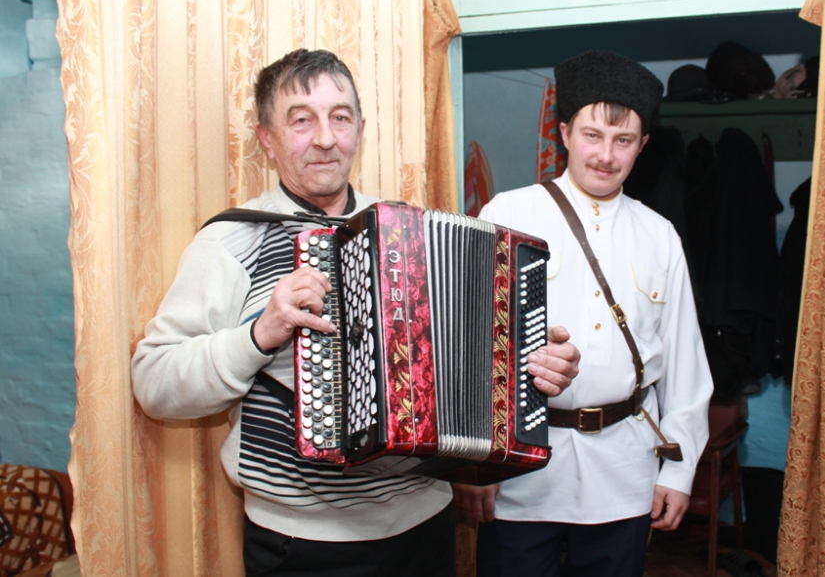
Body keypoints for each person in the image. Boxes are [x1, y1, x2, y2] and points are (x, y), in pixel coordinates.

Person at [131, 48, 580, 577]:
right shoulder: (232, 241)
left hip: (425, 525)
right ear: (267, 139)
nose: (325, 138)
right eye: (301, 121)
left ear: (360, 131)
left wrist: (532, 366)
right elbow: (154, 382)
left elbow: (472, 365)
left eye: (340, 117)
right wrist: (258, 335)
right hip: (300, 544)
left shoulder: (410, 234)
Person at [453, 50, 713, 577]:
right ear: (565, 133)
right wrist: (473, 465)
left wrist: (678, 471)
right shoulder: (509, 213)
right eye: (593, 135)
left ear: (643, 145)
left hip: (624, 474)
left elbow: (685, 368)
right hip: (522, 474)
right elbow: (467, 349)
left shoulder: (659, 235)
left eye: (623, 140)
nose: (606, 155)